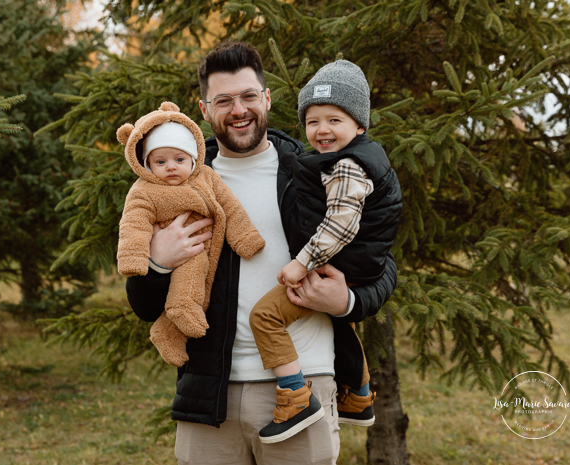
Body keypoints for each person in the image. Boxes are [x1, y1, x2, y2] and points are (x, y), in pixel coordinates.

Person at [126, 41, 398, 465]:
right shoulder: (175, 185)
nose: (239, 109)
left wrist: (347, 301)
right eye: (224, 100)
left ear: (267, 99)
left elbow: (379, 260)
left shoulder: (314, 171)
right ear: (204, 109)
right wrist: (159, 261)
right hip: (209, 395)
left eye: (249, 96)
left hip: (303, 386)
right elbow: (142, 305)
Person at [250, 60, 402, 445]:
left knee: (266, 316)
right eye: (313, 121)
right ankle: (361, 395)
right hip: (353, 267)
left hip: (340, 266)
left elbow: (341, 225)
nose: (322, 130)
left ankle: (295, 396)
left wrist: (301, 264)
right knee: (340, 323)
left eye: (335, 120)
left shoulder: (349, 165)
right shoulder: (352, 158)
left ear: (359, 125)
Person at [115, 102, 265, 367]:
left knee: (203, 289)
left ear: (194, 158)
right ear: (146, 164)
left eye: (179, 159)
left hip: (207, 246)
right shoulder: (144, 191)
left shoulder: (207, 177)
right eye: (160, 161)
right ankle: (179, 308)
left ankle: (167, 332)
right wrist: (133, 257)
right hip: (179, 254)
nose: (171, 167)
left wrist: (245, 237)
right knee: (191, 283)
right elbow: (133, 224)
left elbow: (231, 207)